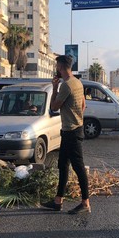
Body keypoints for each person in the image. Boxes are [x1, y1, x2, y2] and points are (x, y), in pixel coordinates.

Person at [43, 55, 91, 214]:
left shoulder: (66, 86)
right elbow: (83, 105)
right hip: (73, 129)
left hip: (71, 132)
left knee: (78, 167)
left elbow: (54, 107)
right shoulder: (78, 82)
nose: (56, 68)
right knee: (62, 165)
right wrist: (77, 117)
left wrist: (54, 87)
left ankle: (85, 203)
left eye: (57, 66)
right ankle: (58, 201)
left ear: (61, 67)